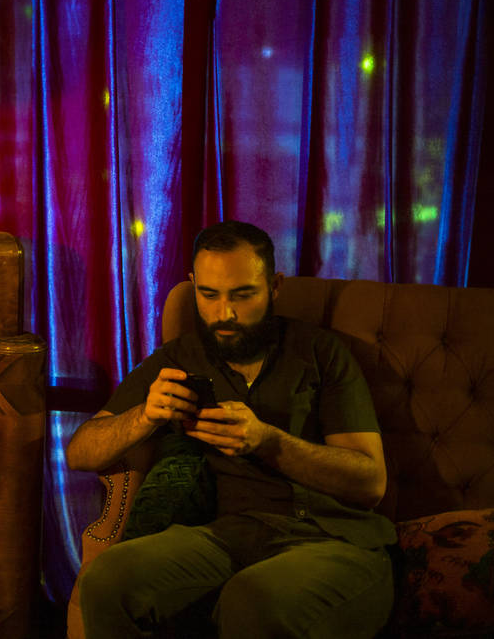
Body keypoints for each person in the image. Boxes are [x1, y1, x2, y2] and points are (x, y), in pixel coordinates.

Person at [66, 220, 395, 639]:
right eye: (209, 295)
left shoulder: (320, 352)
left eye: (243, 295)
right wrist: (145, 416)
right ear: (193, 286)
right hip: (227, 535)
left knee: (252, 599)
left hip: (331, 538)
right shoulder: (181, 357)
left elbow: (371, 482)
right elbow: (81, 452)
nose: (225, 314)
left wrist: (268, 441)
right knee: (108, 579)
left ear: (274, 286)